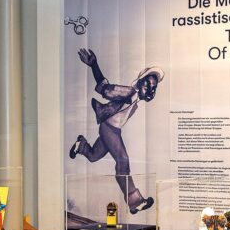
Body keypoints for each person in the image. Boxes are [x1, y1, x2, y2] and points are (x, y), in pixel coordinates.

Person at [69, 48, 162, 214]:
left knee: (93, 156)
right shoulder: (129, 92)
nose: (150, 89)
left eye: (153, 87)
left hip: (113, 131)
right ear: (140, 82)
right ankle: (135, 201)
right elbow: (105, 89)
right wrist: (94, 65)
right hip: (109, 129)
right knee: (122, 160)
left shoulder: (135, 101)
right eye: (148, 84)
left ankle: (81, 145)